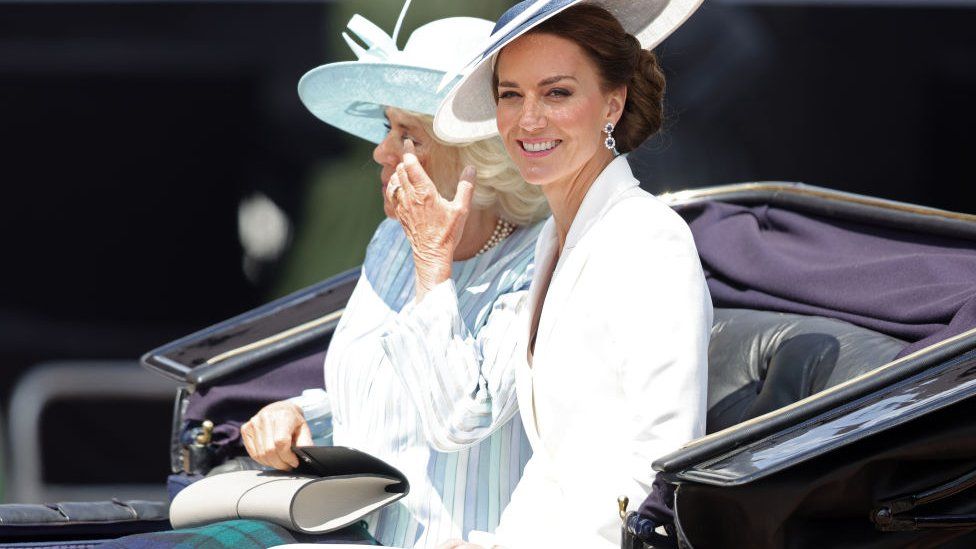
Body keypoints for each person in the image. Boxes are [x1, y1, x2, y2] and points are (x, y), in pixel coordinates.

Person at [384, 1, 711, 547]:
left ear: (612, 102)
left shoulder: (648, 239)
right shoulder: (554, 240)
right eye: (511, 95)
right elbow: (558, 464)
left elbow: (662, 467)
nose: (528, 119)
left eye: (556, 93)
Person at [240, 8, 550, 548]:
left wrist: (435, 265)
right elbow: (379, 395)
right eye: (388, 126)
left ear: (481, 158)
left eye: (409, 134)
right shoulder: (392, 242)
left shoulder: (538, 265)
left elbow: (462, 418)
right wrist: (298, 415)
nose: (381, 150)